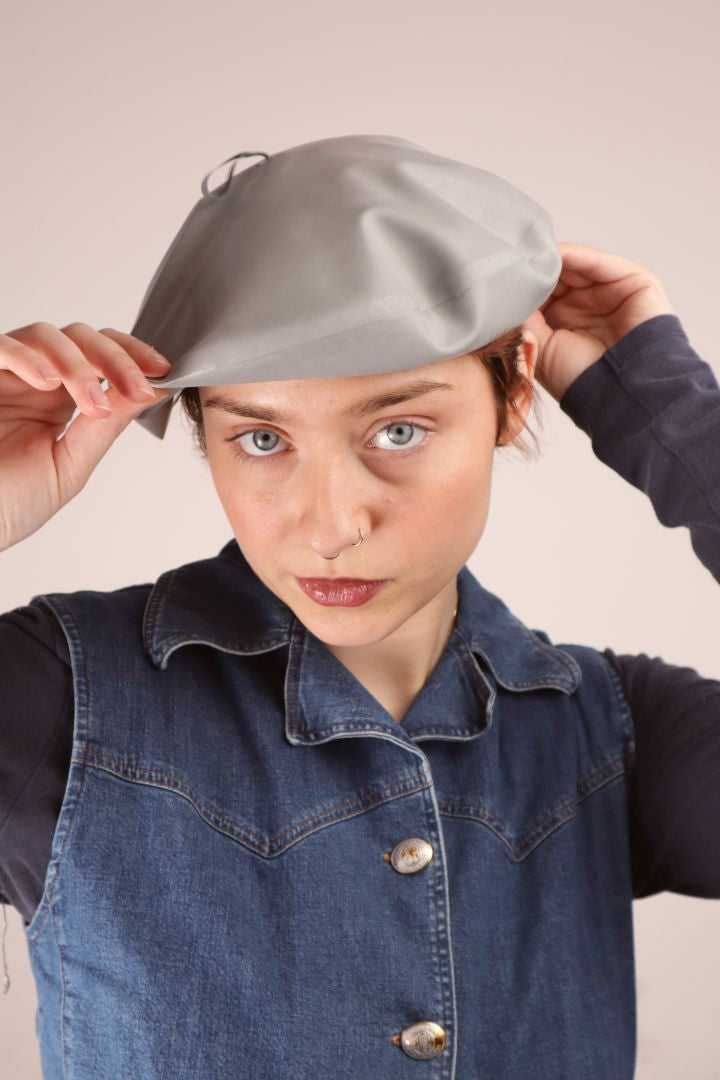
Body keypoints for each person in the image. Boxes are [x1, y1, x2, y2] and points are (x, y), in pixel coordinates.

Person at [1, 223, 719, 1073]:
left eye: (400, 430)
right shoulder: (58, 694)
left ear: (512, 399)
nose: (333, 526)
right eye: (262, 439)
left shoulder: (613, 731)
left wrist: (675, 416)